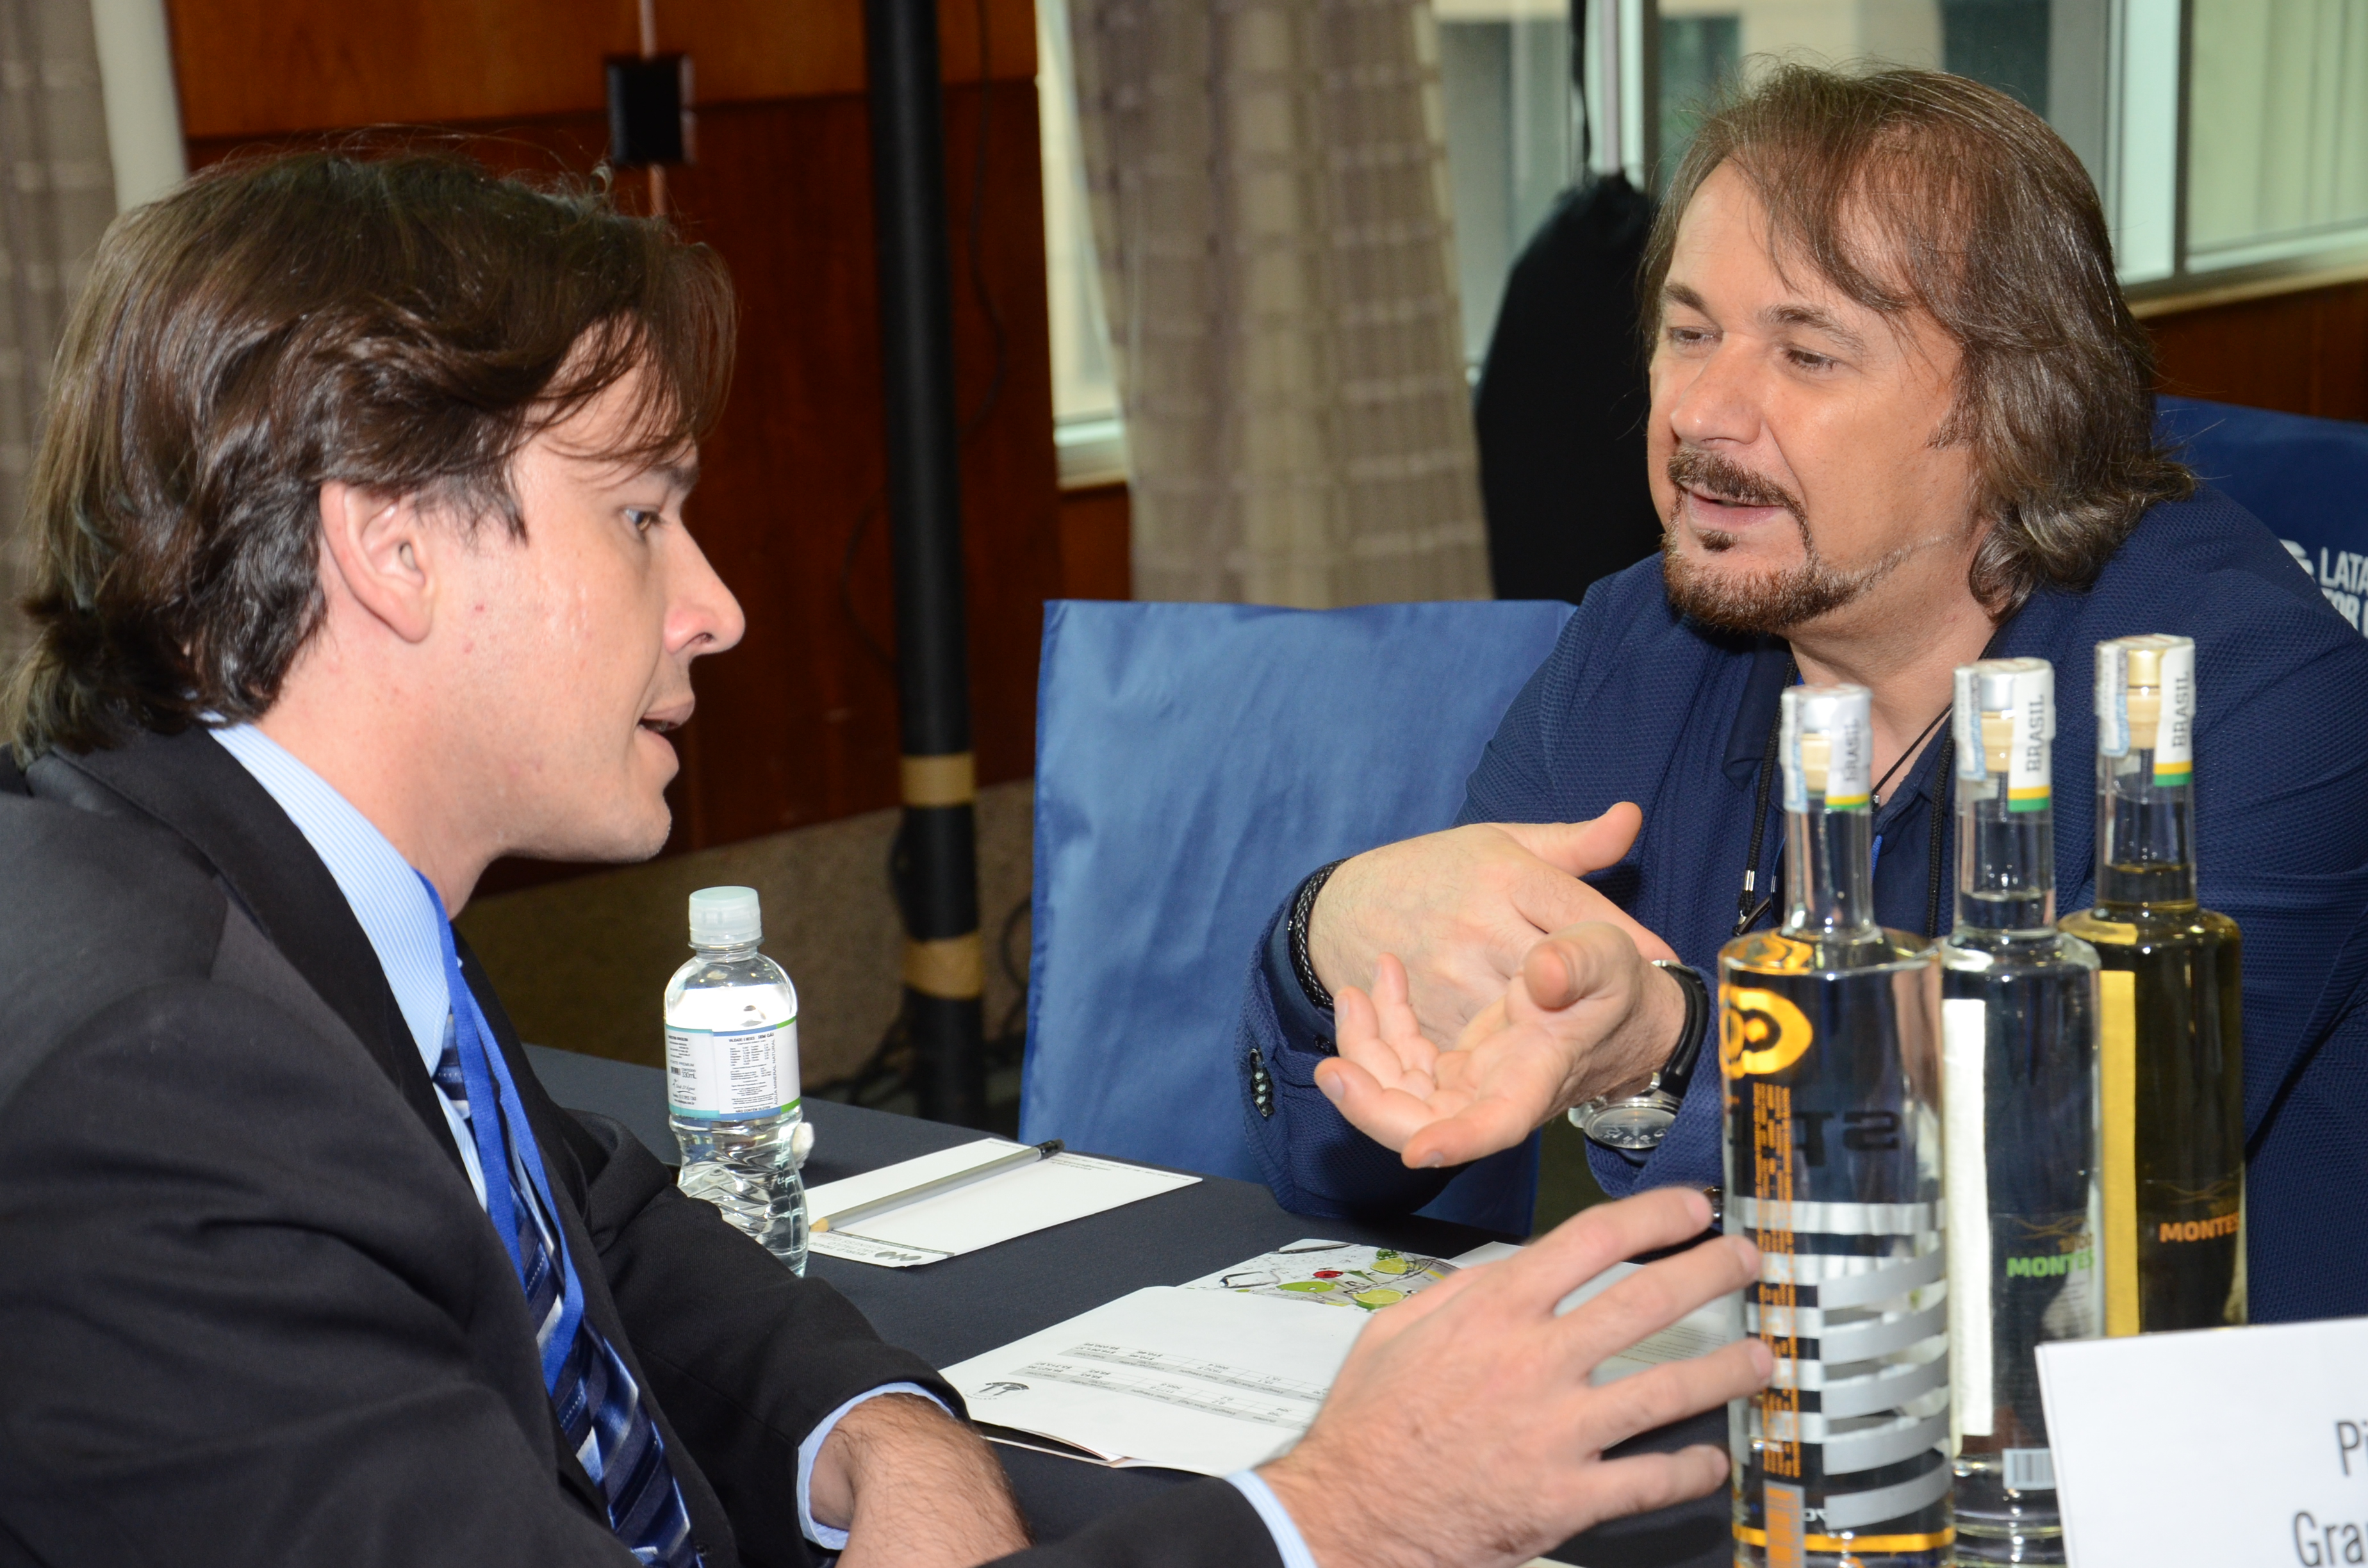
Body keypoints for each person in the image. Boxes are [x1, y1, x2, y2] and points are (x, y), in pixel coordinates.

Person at [0, 151, 1771, 1568]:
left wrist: (879, 1430)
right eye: (640, 514)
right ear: (392, 548)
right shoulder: (152, 1097)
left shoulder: (264, 901)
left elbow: (587, 1216)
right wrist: (1346, 1513)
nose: (715, 606)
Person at [1240, 63, 2368, 1325]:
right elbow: (1384, 1165)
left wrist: (1676, 1048)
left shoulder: (2250, 703)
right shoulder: (1639, 648)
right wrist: (1328, 944)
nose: (1703, 412)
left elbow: (2035, 1179)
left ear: (2019, 412)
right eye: (1689, 334)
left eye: (1807, 352)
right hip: (1746, 1396)